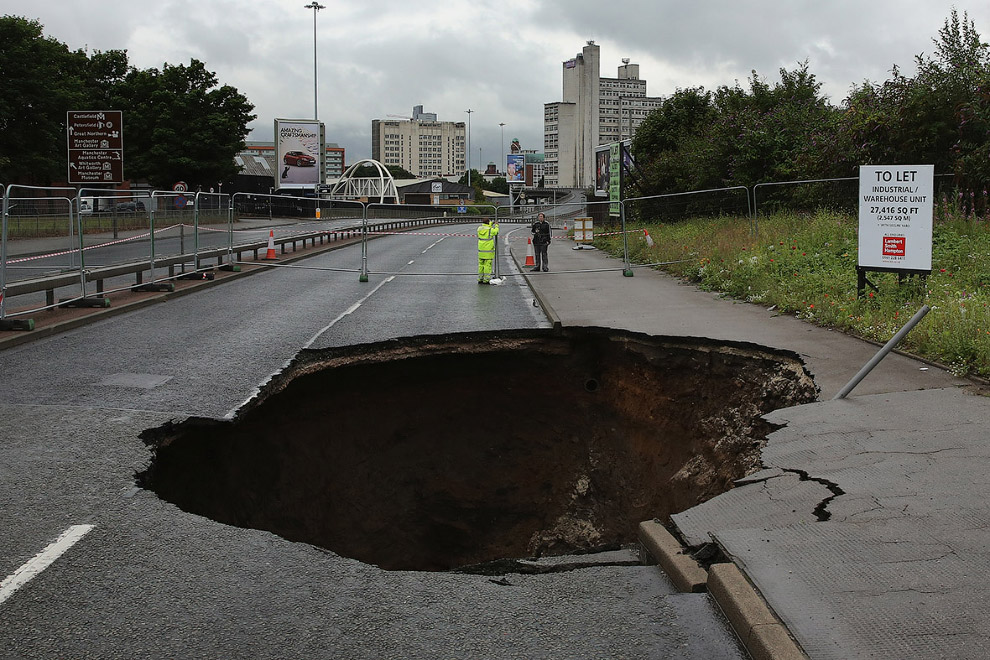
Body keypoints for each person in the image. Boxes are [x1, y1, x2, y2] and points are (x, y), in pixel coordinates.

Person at [477, 217, 500, 284]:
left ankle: (480, 278)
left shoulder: (479, 228)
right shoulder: (490, 230)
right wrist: (496, 225)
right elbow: (496, 231)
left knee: (481, 265)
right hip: (488, 250)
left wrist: (490, 224)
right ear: (488, 222)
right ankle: (486, 279)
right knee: (487, 265)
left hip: (481, 250)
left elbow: (486, 228)